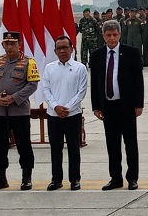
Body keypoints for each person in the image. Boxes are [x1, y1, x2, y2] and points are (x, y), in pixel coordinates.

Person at [0, 31, 40, 191]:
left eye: (13, 43)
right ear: (2, 45)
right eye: (6, 44)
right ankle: (0, 178)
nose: (9, 46)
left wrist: (14, 98)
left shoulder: (29, 62)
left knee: (24, 145)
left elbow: (32, 84)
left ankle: (26, 177)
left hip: (19, 112)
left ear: (19, 44)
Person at [90, 20, 145, 191]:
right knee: (112, 144)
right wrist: (96, 106)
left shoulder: (131, 53)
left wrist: (138, 104)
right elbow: (95, 82)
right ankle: (115, 178)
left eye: (114, 35)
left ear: (120, 34)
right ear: (103, 36)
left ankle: (132, 177)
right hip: (108, 106)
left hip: (126, 105)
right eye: (108, 35)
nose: (112, 38)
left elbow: (138, 81)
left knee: (130, 143)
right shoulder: (97, 55)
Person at [42, 35, 87, 191]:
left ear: (71, 49)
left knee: (74, 148)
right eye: (59, 48)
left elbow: (81, 92)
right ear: (55, 51)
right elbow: (45, 90)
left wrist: (66, 108)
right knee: (55, 148)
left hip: (72, 114)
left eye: (65, 47)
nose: (62, 51)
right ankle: (56, 179)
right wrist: (55, 107)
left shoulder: (80, 68)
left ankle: (75, 179)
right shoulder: (49, 68)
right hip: (53, 115)